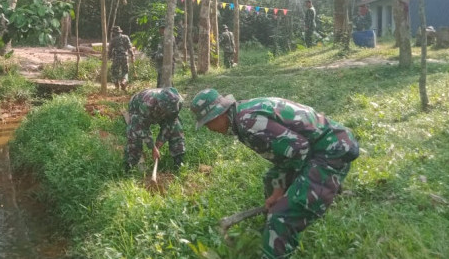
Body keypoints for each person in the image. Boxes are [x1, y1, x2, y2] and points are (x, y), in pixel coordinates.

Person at [190, 89, 359, 259]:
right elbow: (286, 153)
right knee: (272, 180)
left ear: (218, 115)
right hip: (318, 147)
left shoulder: (249, 122)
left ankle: (279, 229)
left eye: (207, 123)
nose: (209, 129)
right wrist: (278, 186)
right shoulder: (242, 113)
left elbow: (299, 149)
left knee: (282, 218)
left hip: (332, 151)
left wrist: (280, 192)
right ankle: (275, 221)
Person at [124, 87, 185, 172]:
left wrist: (160, 142)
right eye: (165, 111)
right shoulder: (146, 104)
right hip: (136, 107)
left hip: (157, 108)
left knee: (176, 128)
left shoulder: (177, 102)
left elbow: (171, 122)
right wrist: (153, 147)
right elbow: (141, 127)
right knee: (134, 133)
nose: (166, 114)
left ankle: (179, 161)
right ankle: (131, 164)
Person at [108, 26, 134, 91]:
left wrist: (109, 57)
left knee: (114, 72)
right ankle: (123, 82)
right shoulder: (126, 37)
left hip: (116, 58)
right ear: (120, 32)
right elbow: (130, 48)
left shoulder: (113, 40)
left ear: (114, 32)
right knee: (125, 71)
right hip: (125, 57)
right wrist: (132, 55)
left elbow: (110, 50)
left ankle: (117, 87)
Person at [153, 22, 176, 87]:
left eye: (161, 29)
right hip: (161, 65)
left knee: (166, 83)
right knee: (160, 83)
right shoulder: (163, 38)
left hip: (166, 64)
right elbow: (161, 50)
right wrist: (155, 54)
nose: (159, 30)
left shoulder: (169, 38)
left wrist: (158, 56)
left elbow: (169, 53)